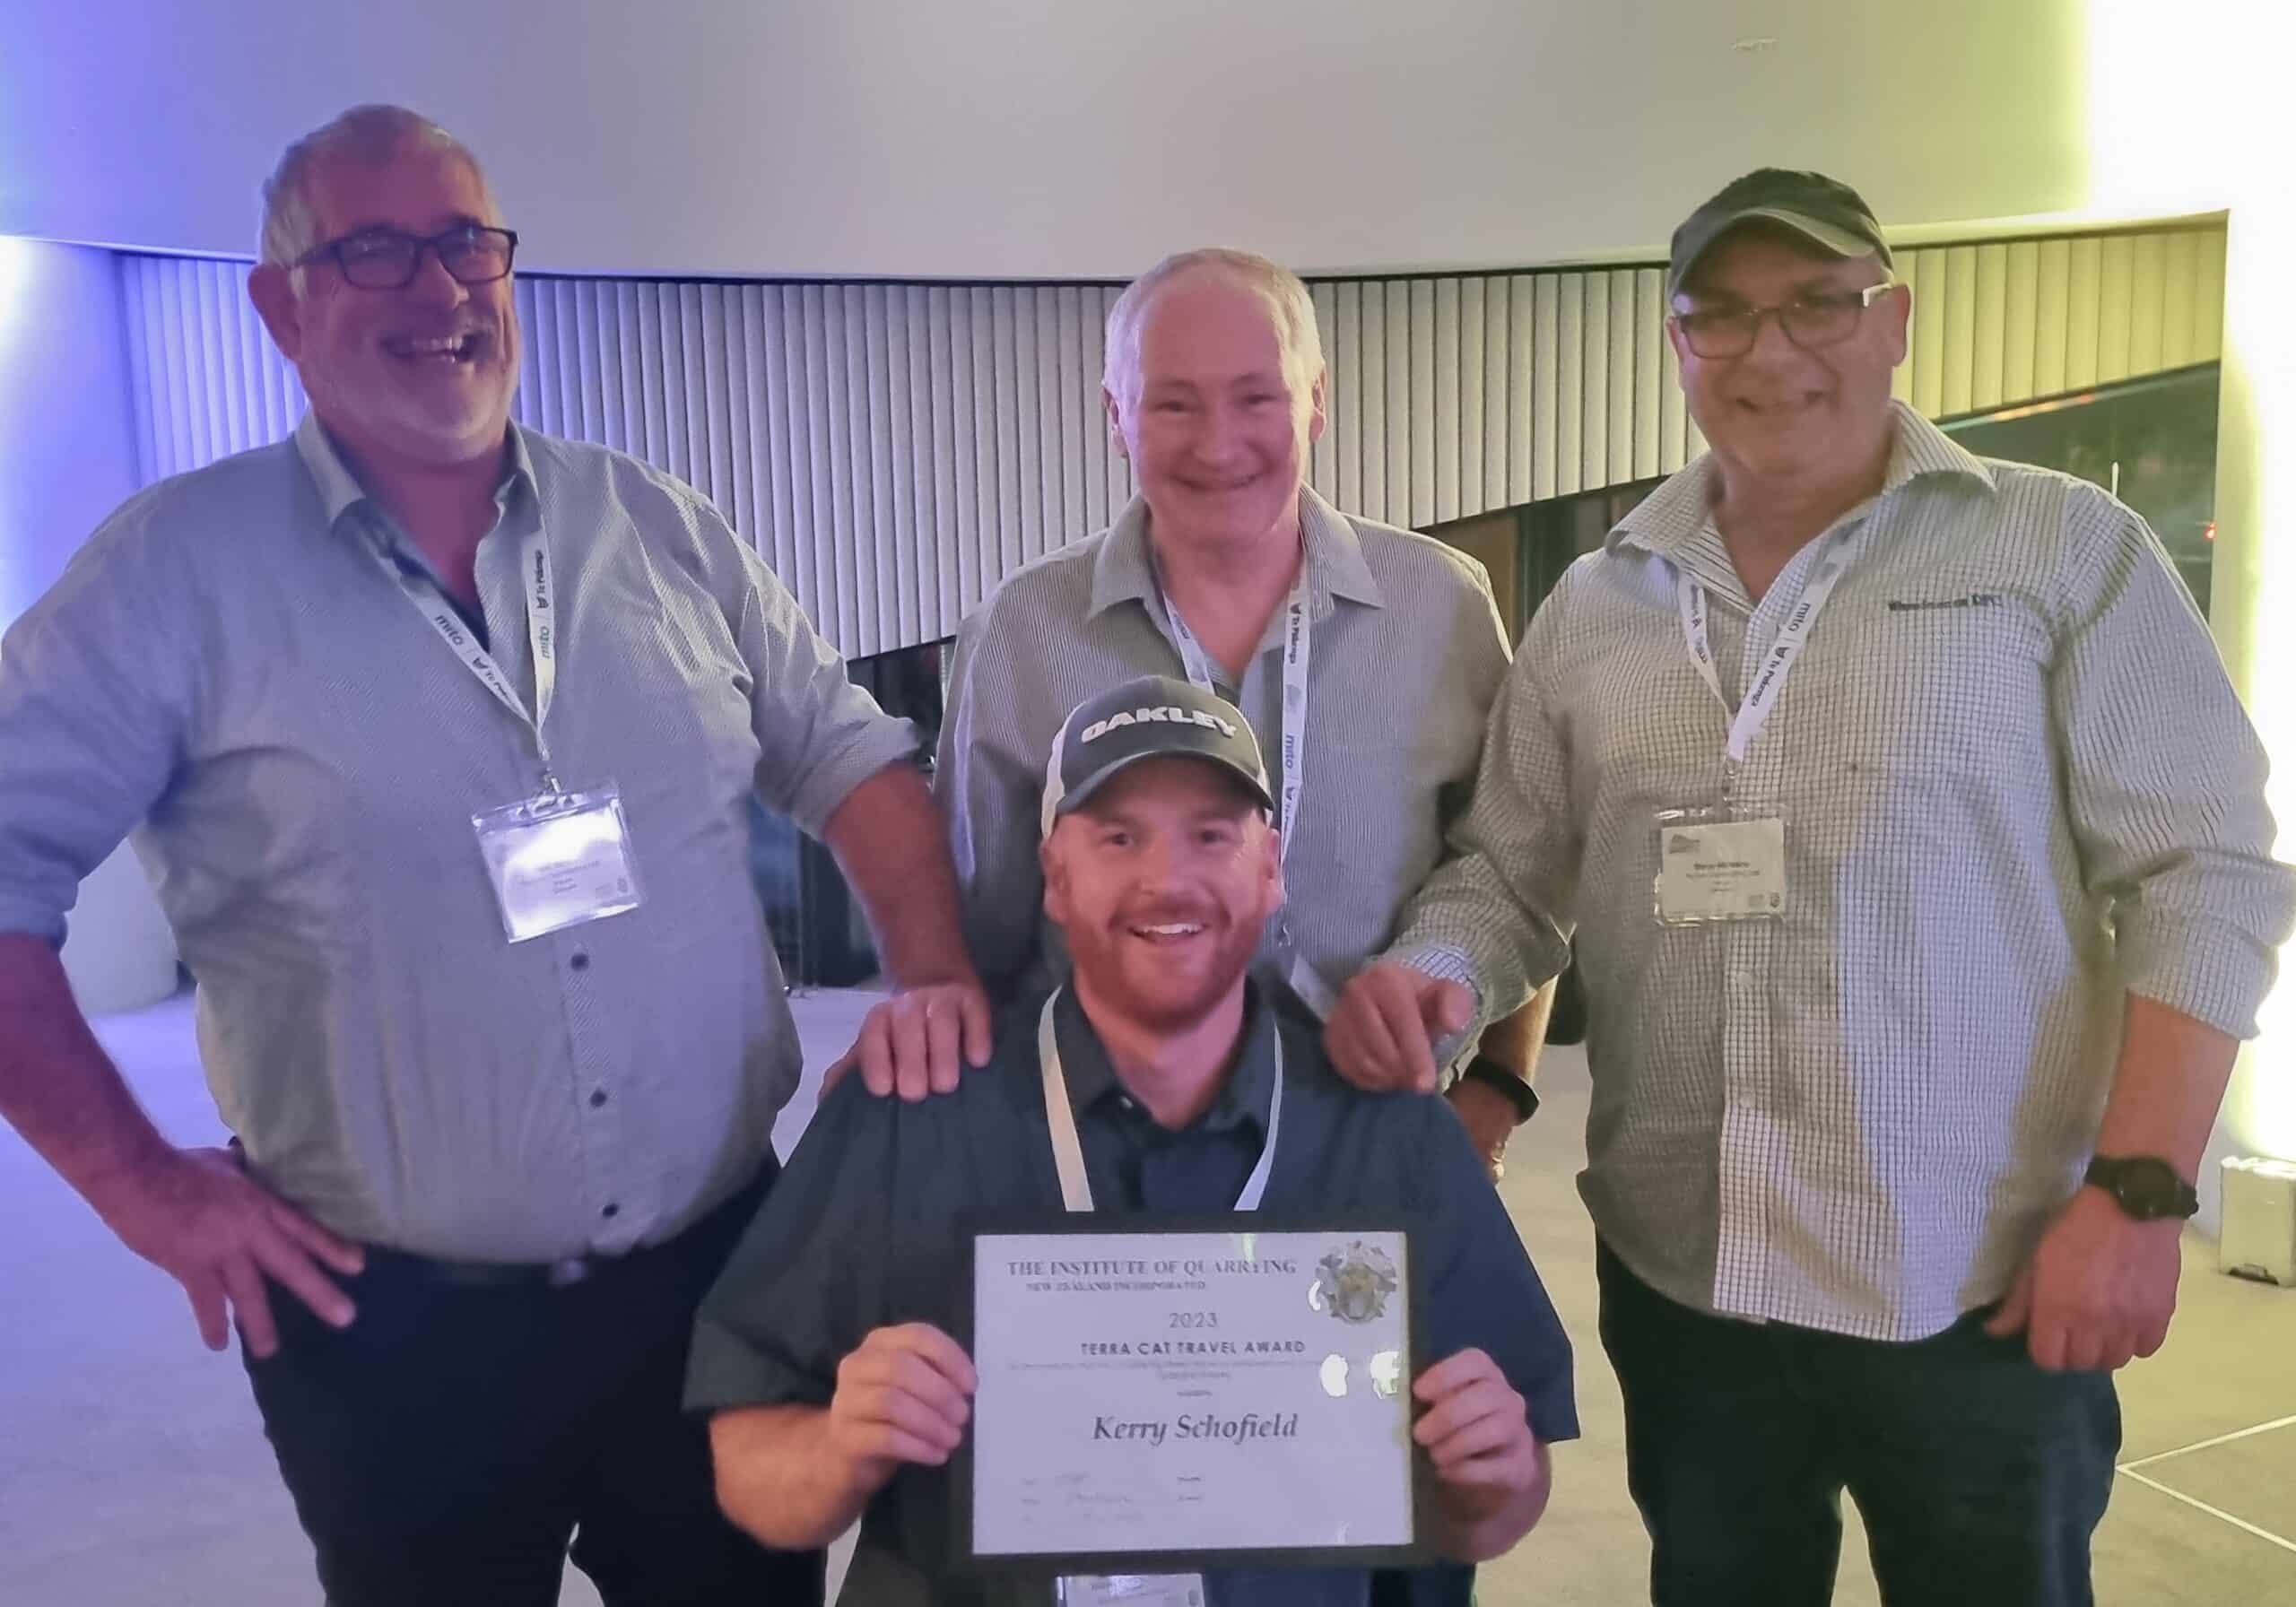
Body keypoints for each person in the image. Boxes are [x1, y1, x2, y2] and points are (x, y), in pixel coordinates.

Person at [0, 104, 985, 1607]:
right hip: (392, 1333)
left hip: (720, 1278)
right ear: (281, 302)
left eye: (468, 242)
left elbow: (850, 753)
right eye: (376, 250)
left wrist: (931, 981)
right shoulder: (170, 575)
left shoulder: (654, 523)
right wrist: (140, 1185)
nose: (439, 290)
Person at [1327, 168, 2296, 1605]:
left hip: (1985, 1279)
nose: (1769, 353)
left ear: (1892, 318)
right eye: (1719, 316)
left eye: (1816, 306)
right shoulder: (1602, 603)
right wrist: (1439, 973)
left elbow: (2203, 873)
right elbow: (1516, 875)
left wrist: (2144, 1194)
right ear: (1676, 345)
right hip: (1689, 1280)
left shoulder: (2058, 550)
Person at [690, 674, 1578, 1606]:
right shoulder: (915, 1113)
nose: (1166, 877)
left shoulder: (1387, 1133)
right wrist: (840, 1446)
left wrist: (1492, 1478)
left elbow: (1493, 1510)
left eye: (1210, 834)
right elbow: (755, 1478)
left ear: (1269, 866)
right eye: (1118, 836)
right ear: (1055, 876)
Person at [857, 247, 1548, 1175]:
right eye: (1172, 403)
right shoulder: (1020, 630)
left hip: (1377, 1137)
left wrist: (1464, 1021)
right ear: (1116, 417)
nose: (1217, 445)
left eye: (1256, 398)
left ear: (1316, 400)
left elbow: (1510, 858)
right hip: (1097, 1163)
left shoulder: (1441, 604)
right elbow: (978, 936)